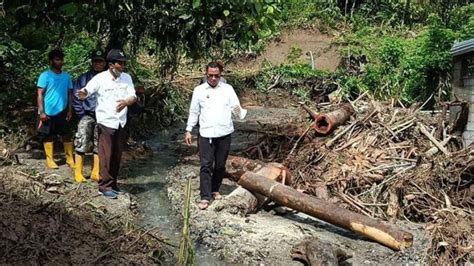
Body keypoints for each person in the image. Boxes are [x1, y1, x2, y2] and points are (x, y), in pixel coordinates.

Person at [77, 49, 137, 199]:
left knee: (117, 155)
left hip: (121, 122)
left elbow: (133, 95)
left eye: (124, 63)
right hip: (106, 121)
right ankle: (104, 186)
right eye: (120, 63)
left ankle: (114, 184)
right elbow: (87, 90)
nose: (122, 66)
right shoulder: (100, 78)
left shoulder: (126, 78)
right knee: (106, 154)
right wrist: (83, 93)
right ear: (111, 65)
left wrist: (126, 102)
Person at [185, 61, 244, 210]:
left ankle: (215, 189)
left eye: (216, 76)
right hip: (206, 133)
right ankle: (205, 196)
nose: (213, 78)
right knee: (206, 165)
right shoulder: (199, 90)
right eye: (210, 75)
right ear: (206, 74)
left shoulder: (228, 89)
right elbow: (194, 111)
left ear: (221, 75)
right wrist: (188, 129)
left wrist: (238, 111)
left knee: (220, 165)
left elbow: (237, 110)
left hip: (224, 132)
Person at [36, 49, 75, 169]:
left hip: (62, 110)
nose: (60, 62)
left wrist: (69, 110)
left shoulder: (66, 76)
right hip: (48, 110)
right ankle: (50, 159)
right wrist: (41, 112)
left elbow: (69, 94)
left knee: (66, 134)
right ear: (51, 61)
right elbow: (40, 94)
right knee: (48, 135)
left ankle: (69, 158)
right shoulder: (45, 75)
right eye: (57, 59)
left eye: (61, 59)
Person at [72, 50, 106, 183]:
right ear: (92, 63)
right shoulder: (83, 78)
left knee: (99, 144)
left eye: (100, 61)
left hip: (102, 116)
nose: (97, 64)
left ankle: (95, 172)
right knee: (81, 142)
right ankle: (78, 173)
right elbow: (76, 97)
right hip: (86, 114)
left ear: (105, 63)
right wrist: (81, 113)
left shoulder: (108, 78)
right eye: (95, 61)